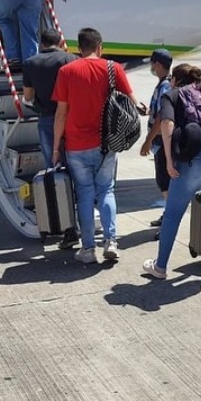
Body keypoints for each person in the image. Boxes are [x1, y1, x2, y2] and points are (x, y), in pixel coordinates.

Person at [51, 27, 144, 264]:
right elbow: (132, 102)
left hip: (76, 145)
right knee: (106, 190)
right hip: (106, 143)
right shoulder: (114, 69)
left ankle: (88, 249)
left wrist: (54, 147)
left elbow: (61, 113)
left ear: (79, 49)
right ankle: (111, 241)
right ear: (100, 47)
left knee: (84, 194)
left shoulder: (66, 71)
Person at [142, 64, 201, 282]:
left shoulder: (171, 94)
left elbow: (166, 122)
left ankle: (160, 266)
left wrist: (168, 158)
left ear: (174, 79)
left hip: (195, 159)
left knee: (173, 214)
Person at [22, 29, 78, 247]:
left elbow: (27, 96)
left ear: (41, 43)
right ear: (59, 42)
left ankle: (64, 225)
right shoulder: (71, 59)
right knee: (77, 171)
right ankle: (81, 221)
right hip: (73, 119)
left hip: (47, 119)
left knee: (55, 170)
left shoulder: (31, 63)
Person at [139, 49, 173, 235]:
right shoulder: (163, 85)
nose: (151, 67)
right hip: (160, 140)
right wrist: (148, 112)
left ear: (158, 64)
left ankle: (169, 219)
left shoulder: (165, 86)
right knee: (164, 181)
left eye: (153, 63)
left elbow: (162, 117)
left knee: (164, 181)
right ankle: (168, 214)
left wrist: (147, 140)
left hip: (161, 140)